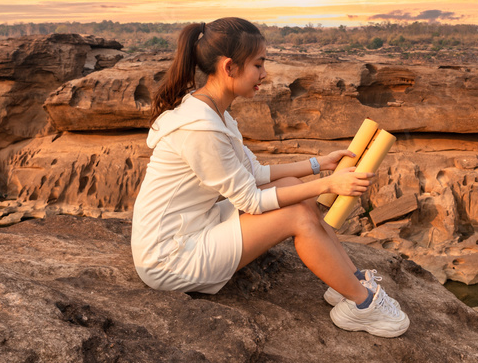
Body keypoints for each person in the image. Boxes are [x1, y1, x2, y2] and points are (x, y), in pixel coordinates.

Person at [131, 17, 409, 337]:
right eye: (258, 64)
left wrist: (320, 165)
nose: (264, 74)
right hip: (170, 257)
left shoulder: (210, 110)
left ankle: (348, 281)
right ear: (229, 67)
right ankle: (363, 305)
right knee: (297, 217)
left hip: (193, 227)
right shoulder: (200, 128)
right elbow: (251, 199)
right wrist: (329, 184)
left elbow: (257, 174)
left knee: (295, 191)